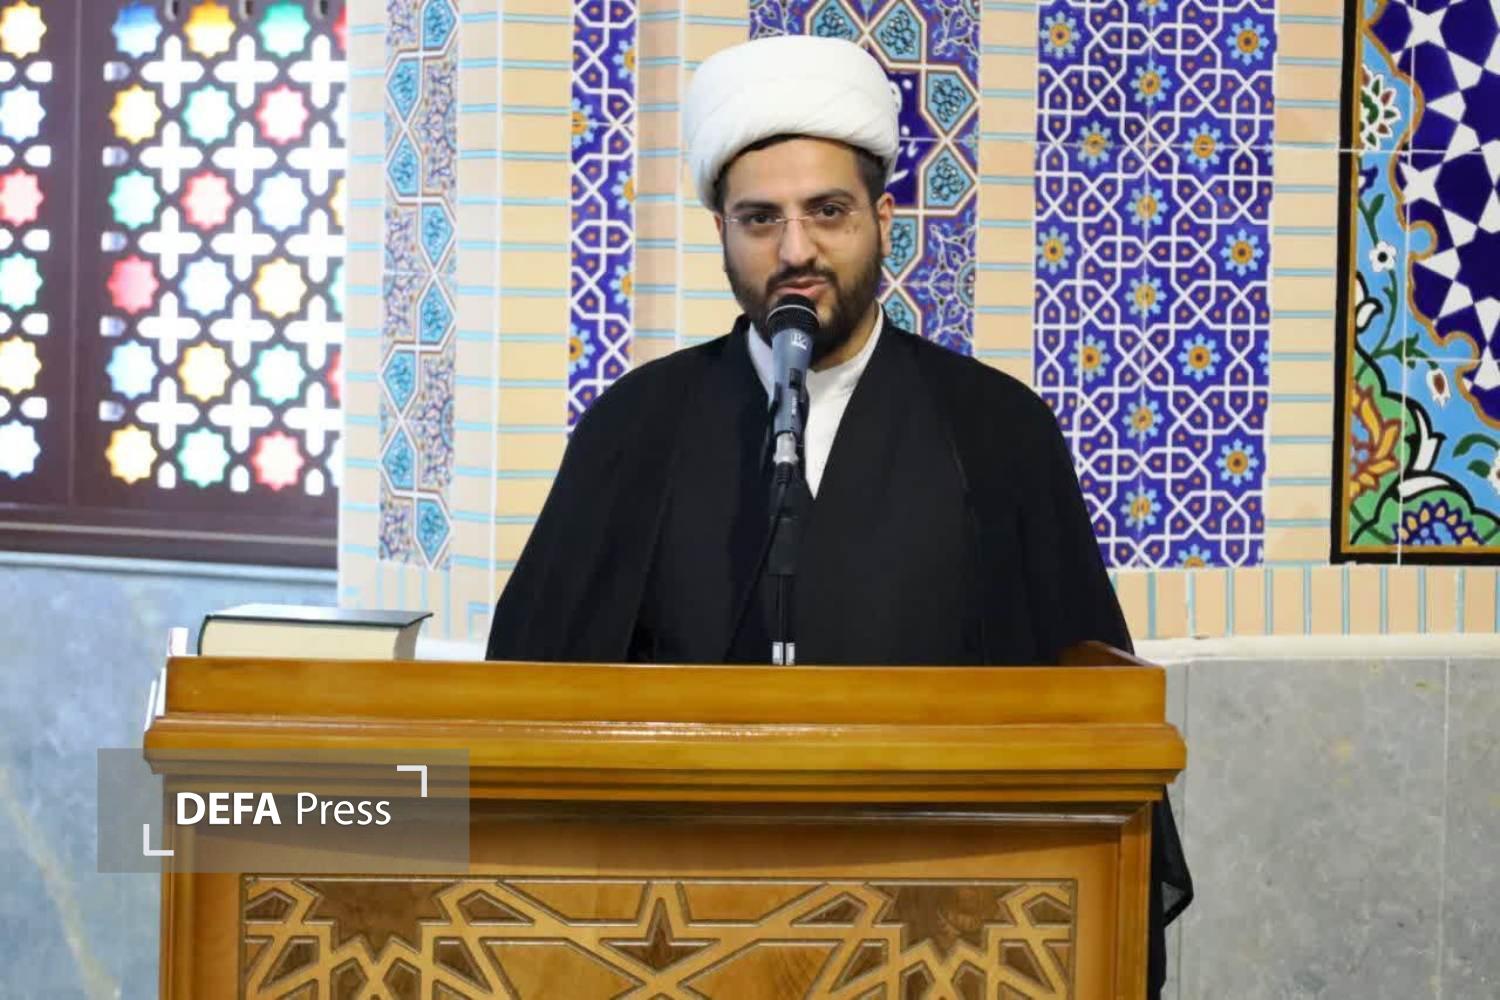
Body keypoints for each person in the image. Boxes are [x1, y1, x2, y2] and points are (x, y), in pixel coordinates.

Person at [486, 33, 1191, 996]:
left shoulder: (996, 432)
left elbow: (1083, 732)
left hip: (932, 941)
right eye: (759, 219)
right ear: (721, 232)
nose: (796, 251)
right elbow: (527, 710)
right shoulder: (636, 427)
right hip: (670, 938)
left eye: (828, 212)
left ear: (882, 219)